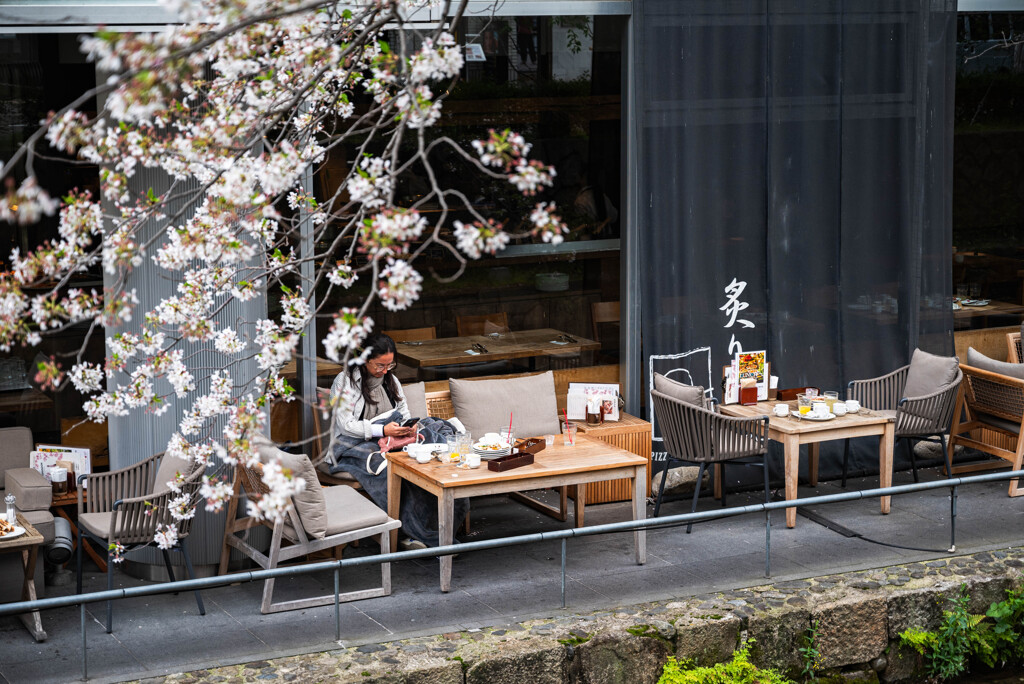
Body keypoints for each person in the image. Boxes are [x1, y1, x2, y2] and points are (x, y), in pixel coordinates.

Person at [326, 332, 467, 550]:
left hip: (390, 437)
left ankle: (434, 528)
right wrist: (381, 429)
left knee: (424, 462)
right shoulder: (344, 382)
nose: (384, 371)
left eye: (389, 365)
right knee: (390, 471)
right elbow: (346, 425)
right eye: (379, 365)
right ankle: (413, 533)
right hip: (353, 443)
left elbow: (403, 411)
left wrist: (407, 427)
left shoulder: (392, 381)